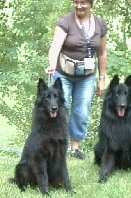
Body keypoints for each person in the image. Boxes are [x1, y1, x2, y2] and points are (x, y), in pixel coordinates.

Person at [45, 0, 107, 159]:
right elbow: (55, 46)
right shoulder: (65, 21)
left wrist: (102, 78)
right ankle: (57, 146)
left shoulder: (100, 24)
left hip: (86, 77)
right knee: (57, 109)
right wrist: (52, 64)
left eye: (83, 3)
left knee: (82, 111)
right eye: (76, 2)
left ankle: (74, 148)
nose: (79, 6)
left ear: (91, 4)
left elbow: (101, 53)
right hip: (63, 75)